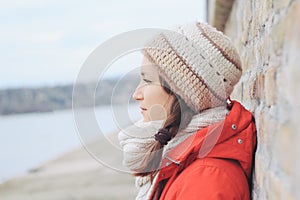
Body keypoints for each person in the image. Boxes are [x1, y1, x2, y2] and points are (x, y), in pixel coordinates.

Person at [118, 21, 257, 200]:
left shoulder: (207, 181)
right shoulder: (182, 158)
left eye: (147, 80)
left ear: (182, 94)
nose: (137, 94)